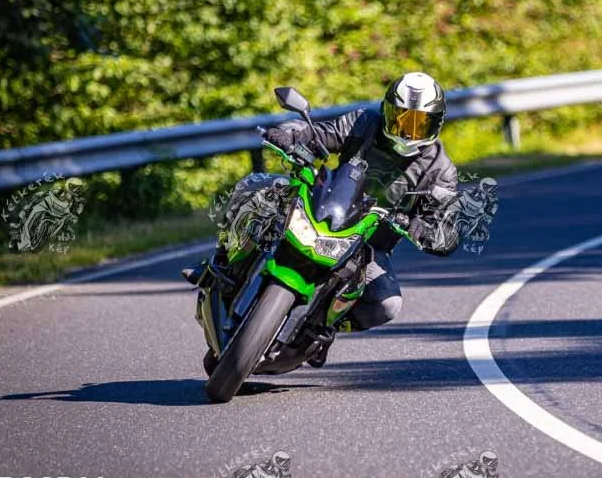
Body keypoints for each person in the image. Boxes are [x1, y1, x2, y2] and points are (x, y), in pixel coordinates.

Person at [183, 72, 460, 366]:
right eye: (402, 119)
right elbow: (321, 133)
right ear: (386, 111)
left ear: (437, 123)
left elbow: (447, 225)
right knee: (257, 185)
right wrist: (292, 134)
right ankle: (220, 259)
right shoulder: (365, 122)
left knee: (387, 305)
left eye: (420, 124)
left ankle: (322, 329)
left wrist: (428, 231)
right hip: (327, 206)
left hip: (368, 244)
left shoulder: (440, 170)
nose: (408, 131)